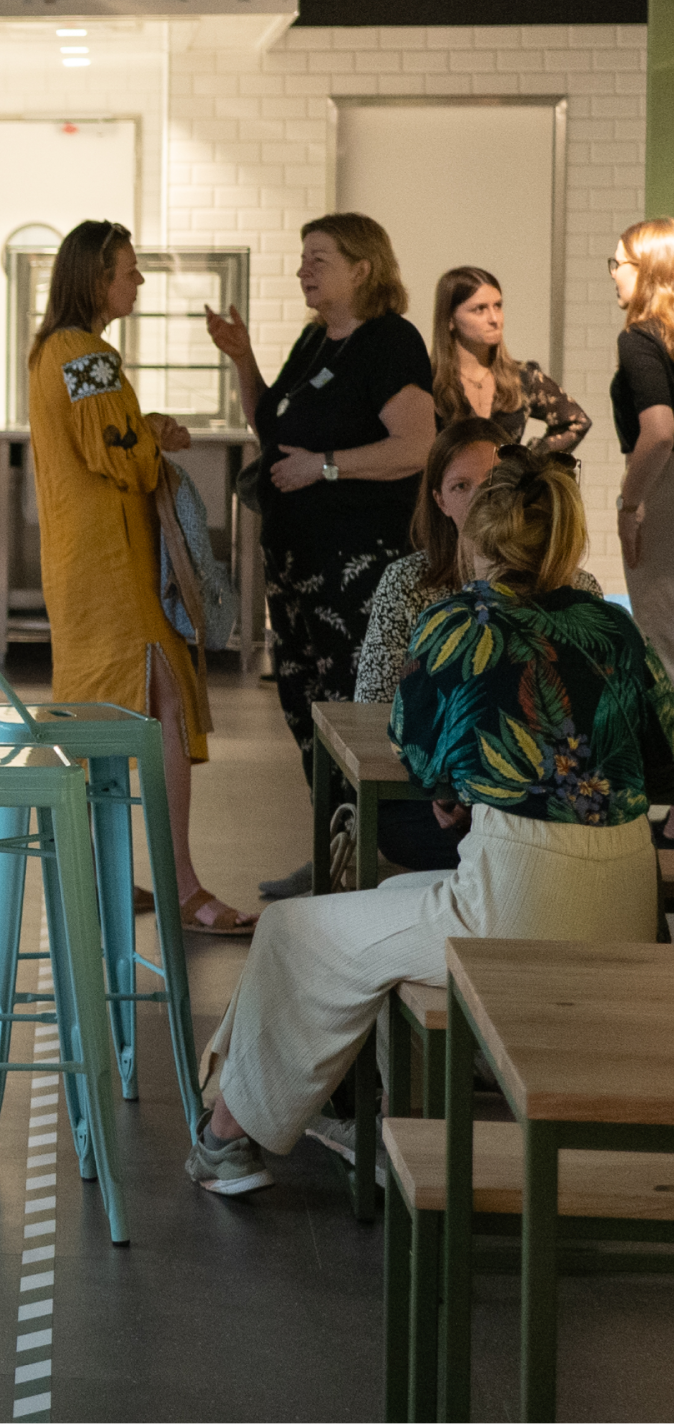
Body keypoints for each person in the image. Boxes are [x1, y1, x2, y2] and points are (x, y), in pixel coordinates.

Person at [189, 446, 673, 1194]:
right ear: (565, 541)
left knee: (292, 928)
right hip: (626, 898)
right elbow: (662, 758)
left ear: (476, 537)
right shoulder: (612, 631)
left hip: (510, 902)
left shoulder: (459, 620)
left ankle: (225, 1137)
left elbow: (414, 750)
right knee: (387, 904)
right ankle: (334, 1113)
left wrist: (455, 785)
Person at [17, 220, 257, 932]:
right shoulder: (85, 353)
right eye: (128, 270)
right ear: (95, 278)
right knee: (163, 709)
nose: (138, 281)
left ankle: (113, 875)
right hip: (113, 571)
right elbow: (117, 459)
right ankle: (181, 886)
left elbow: (105, 437)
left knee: (109, 716)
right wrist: (150, 439)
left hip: (87, 567)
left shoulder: (61, 351)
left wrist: (143, 427)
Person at [205, 212, 435, 901]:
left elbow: (416, 444)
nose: (304, 269)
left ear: (361, 268)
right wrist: (241, 356)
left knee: (352, 714)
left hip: (354, 567)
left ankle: (375, 856)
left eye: (318, 258)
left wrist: (325, 468)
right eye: (303, 258)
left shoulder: (388, 342)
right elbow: (271, 426)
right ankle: (329, 850)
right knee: (305, 709)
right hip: (298, 568)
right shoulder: (314, 341)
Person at [353, 419, 604, 875]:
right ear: (440, 501)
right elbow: (374, 710)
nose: (479, 500)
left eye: (491, 485)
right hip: (433, 796)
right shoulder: (410, 584)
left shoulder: (578, 589)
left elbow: (593, 716)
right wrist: (455, 788)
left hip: (550, 792)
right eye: (460, 486)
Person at [426, 265, 589, 452]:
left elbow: (577, 422)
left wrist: (526, 463)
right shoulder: (429, 381)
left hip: (506, 482)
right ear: (450, 319)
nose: (494, 318)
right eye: (479, 309)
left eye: (498, 306)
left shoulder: (522, 376)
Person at [610, 216, 674, 669]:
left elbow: (659, 432)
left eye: (620, 262)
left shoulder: (640, 337)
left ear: (648, 268)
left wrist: (630, 506)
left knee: (664, 647)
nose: (614, 272)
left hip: (663, 493)